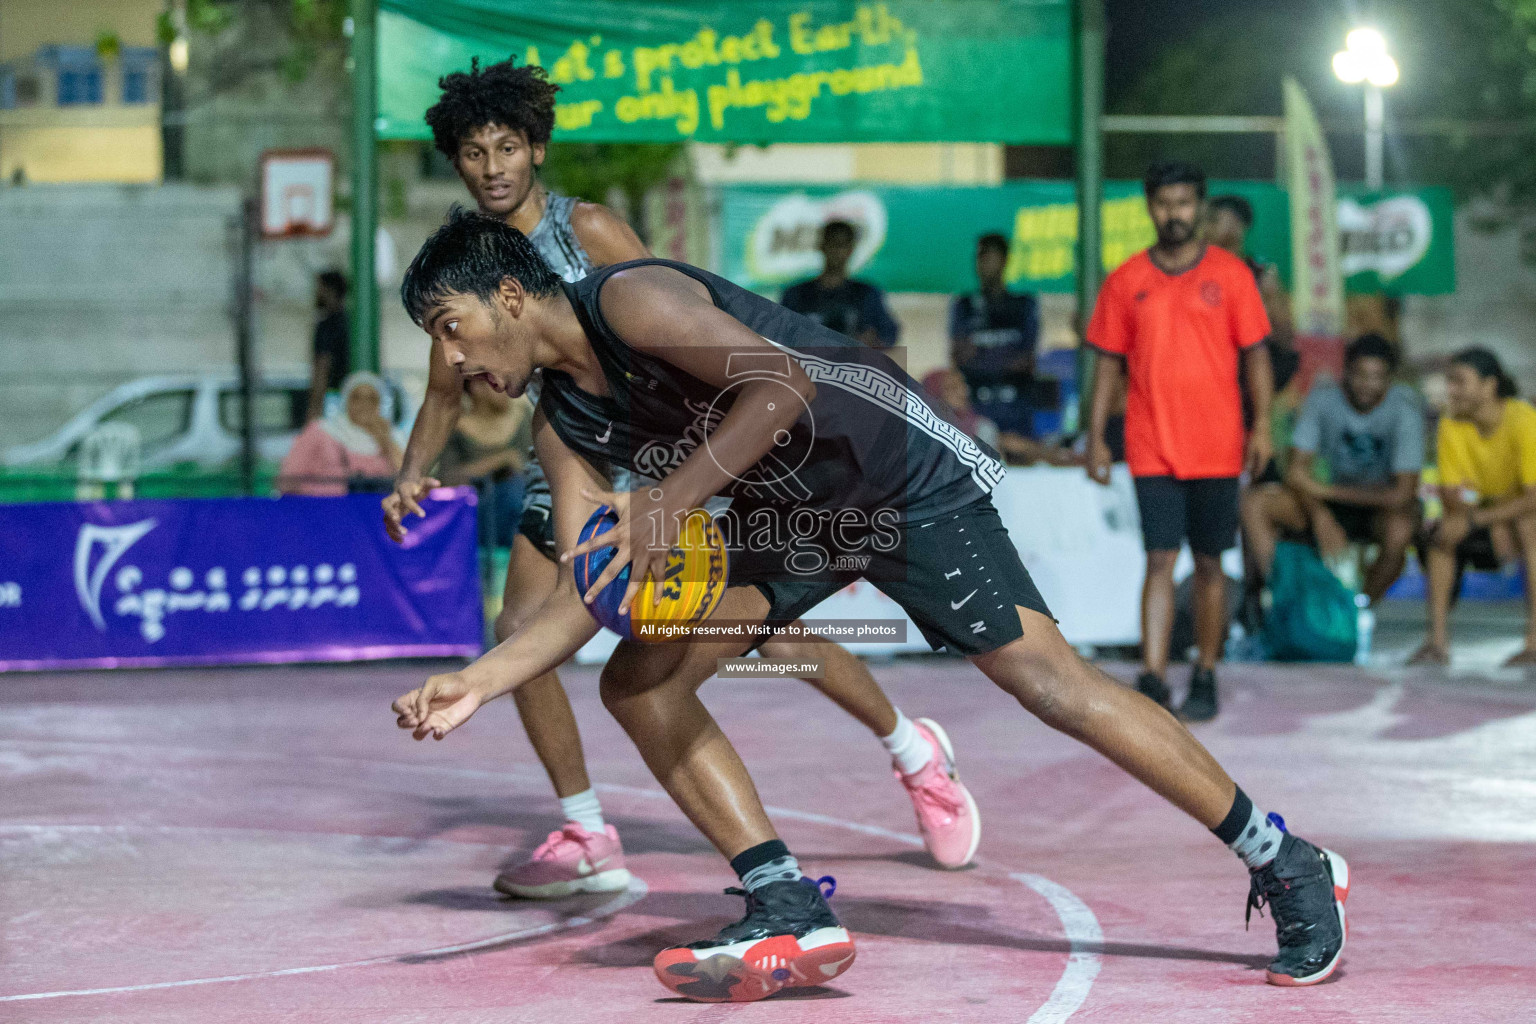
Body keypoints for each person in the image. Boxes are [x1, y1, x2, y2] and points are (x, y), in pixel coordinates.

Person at [391, 210, 1350, 1001]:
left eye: (448, 327)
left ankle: (1285, 859)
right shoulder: (564, 419)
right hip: (790, 510)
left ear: (508, 296)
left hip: (893, 473)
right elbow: (590, 588)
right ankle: (786, 901)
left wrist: (670, 502)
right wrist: (473, 683)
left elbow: (781, 385)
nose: (451, 359)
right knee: (639, 682)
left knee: (1051, 685)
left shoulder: (631, 299)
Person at [379, 56, 980, 900]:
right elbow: (449, 381)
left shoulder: (585, 230)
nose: (491, 168)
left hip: (662, 446)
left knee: (764, 632)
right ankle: (587, 828)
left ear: (536, 148)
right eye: (473, 154)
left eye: (504, 147)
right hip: (573, 451)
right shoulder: (464, 265)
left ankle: (910, 747)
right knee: (523, 621)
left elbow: (667, 325)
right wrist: (412, 471)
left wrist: (708, 480)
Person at [1085, 162, 1274, 723]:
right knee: (1159, 558)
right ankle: (1152, 675)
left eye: (1185, 203)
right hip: (1151, 445)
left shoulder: (1232, 275)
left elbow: (1257, 354)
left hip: (1219, 446)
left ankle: (1206, 674)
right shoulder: (1125, 281)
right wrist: (1096, 437)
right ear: (1148, 206)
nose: (1175, 214)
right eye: (1164, 203)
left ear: (1201, 206)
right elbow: (1108, 366)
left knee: (1212, 563)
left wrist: (1262, 425)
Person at [1241, 334, 1423, 604]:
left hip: (1377, 507)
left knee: (1401, 528)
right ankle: (1283, 602)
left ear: (1390, 379)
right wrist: (1320, 515)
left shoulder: (1405, 410)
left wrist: (1325, 491)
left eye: (1378, 377)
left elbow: (1403, 494)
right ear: (1346, 372)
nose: (1368, 385)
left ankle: (1361, 609)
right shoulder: (1323, 400)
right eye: (1361, 375)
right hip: (1327, 503)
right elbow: (1295, 472)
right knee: (1254, 504)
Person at [1412, 347, 1536, 666]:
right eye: (1449, 382)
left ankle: (1533, 642)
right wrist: (1486, 517)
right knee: (1444, 532)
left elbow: (1533, 496)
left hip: (1517, 518)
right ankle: (1437, 642)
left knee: (1528, 523)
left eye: (1459, 382)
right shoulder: (1451, 424)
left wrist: (1486, 515)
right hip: (1485, 515)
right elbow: (1453, 496)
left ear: (1489, 385)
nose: (1451, 390)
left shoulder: (1523, 419)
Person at [949, 232, 1041, 436]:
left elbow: (1027, 360)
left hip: (1015, 408)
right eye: (980, 257)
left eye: (990, 256)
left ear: (1005, 260)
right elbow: (959, 356)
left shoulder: (1023, 305)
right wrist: (1004, 356)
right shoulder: (964, 305)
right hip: (976, 408)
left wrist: (981, 355)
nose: (984, 264)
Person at [435, 378, 532, 547]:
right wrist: (499, 460)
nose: (507, 391)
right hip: (479, 513)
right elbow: (447, 479)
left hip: (523, 508)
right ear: (476, 387)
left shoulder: (522, 418)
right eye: (497, 385)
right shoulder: (458, 429)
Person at [922, 368, 1079, 468]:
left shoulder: (982, 426)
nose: (962, 392)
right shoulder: (920, 437)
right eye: (951, 388)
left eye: (962, 385)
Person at [780, 220, 900, 348]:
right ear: (821, 246)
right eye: (832, 243)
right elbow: (777, 334)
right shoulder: (796, 294)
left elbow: (889, 334)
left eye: (842, 245)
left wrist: (873, 340)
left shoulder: (867, 294)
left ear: (850, 249)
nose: (836, 250)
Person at [280, 371, 401, 496]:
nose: (364, 404)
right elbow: (288, 480)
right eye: (356, 397)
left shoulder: (388, 437)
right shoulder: (321, 431)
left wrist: (386, 441)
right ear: (346, 399)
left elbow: (404, 478)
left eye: (371, 398)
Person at [306, 270, 351, 423]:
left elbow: (322, 368)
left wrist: (313, 411)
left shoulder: (326, 326)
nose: (316, 293)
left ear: (330, 291)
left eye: (320, 288)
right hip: (349, 398)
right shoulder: (350, 322)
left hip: (332, 401)